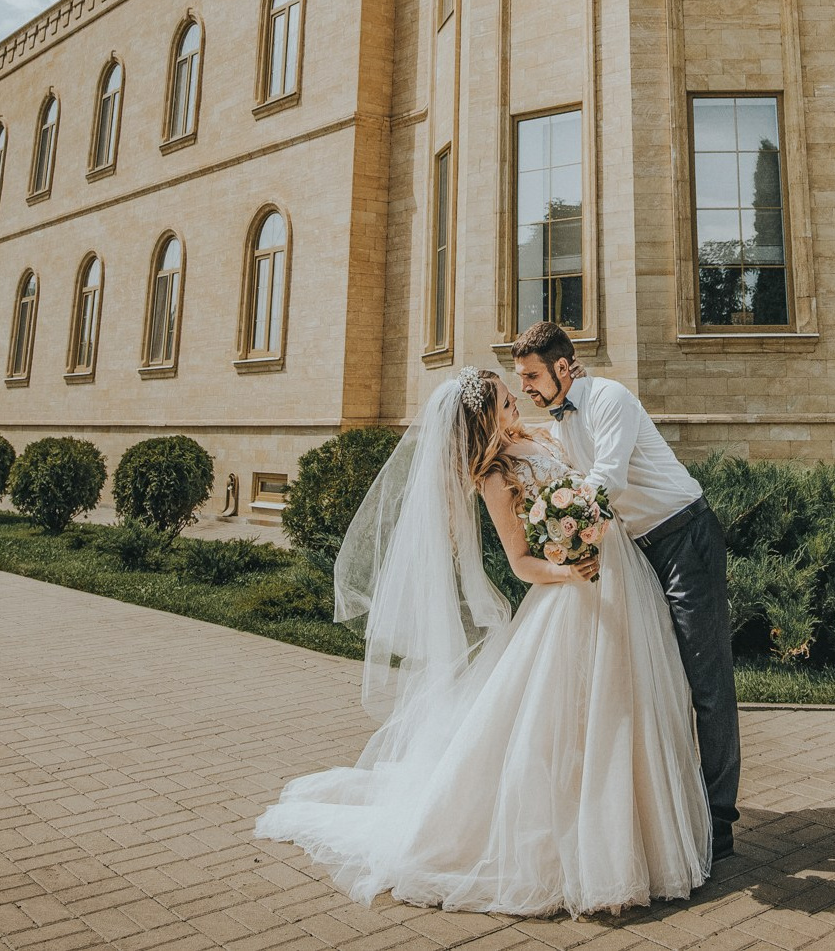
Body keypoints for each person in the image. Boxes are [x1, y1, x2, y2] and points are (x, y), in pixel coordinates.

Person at [252, 368, 711, 917]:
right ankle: (585, 846)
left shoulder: (538, 435)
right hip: (573, 593)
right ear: (483, 414)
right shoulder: (495, 474)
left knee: (626, 706)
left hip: (620, 576)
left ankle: (634, 827)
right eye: (503, 396)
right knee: (579, 717)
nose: (514, 397)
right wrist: (568, 570)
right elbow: (520, 562)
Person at [512, 321, 741, 860]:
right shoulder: (563, 420)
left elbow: (607, 479)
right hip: (638, 551)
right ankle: (677, 809)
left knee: (706, 681)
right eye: (520, 378)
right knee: (656, 678)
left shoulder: (610, 399)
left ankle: (719, 821)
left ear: (563, 367)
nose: (524, 387)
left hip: (684, 537)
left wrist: (560, 521)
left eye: (531, 376)